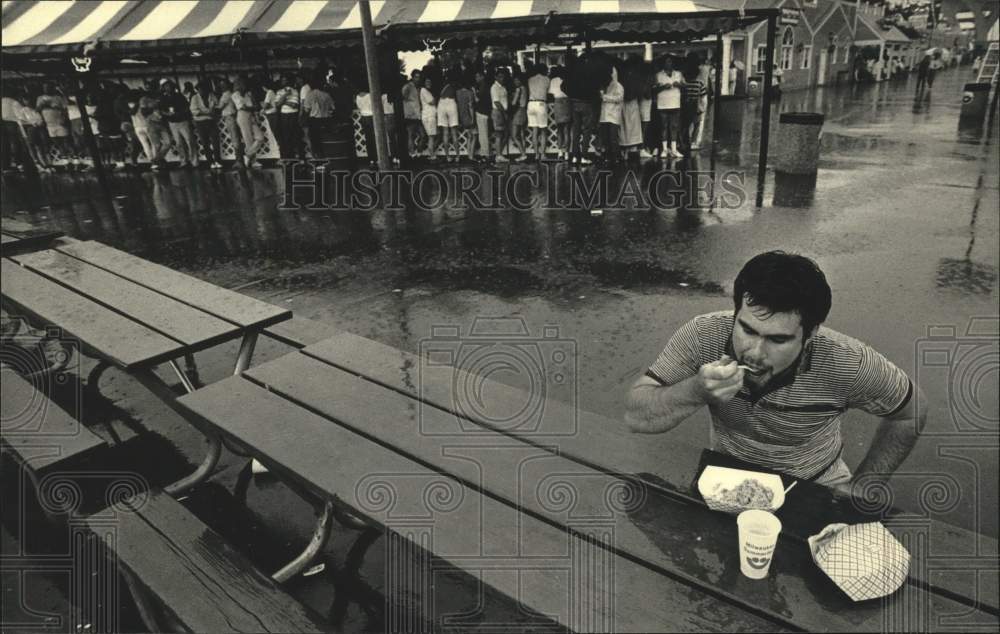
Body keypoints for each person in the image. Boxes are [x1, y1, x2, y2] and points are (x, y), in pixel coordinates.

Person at [624, 251, 927, 490]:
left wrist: (865, 486)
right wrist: (696, 391)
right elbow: (637, 417)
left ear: (810, 335)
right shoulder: (704, 335)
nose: (754, 352)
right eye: (747, 329)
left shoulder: (847, 362)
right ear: (736, 312)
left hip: (814, 482)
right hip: (726, 477)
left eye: (777, 339)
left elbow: (912, 411)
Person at [564, 52, 598, 165]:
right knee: (587, 130)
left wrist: (572, 95)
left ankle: (574, 156)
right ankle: (584, 156)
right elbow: (595, 88)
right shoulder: (590, 72)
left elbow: (563, 86)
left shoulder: (573, 72)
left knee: (576, 130)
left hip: (574, 103)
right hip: (587, 103)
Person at [161, 80, 198, 168]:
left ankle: (194, 161)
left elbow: (186, 108)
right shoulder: (163, 98)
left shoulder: (179, 96)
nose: (168, 88)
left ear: (173, 87)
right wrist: (167, 114)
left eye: (169, 86)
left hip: (182, 121)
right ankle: (183, 160)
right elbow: (161, 110)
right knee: (179, 143)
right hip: (172, 122)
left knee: (189, 140)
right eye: (166, 87)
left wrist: (180, 113)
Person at [302, 71, 334, 164]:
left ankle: (319, 160)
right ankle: (328, 158)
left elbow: (307, 109)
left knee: (316, 142)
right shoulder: (326, 94)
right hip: (326, 119)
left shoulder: (310, 95)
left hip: (314, 120)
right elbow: (332, 108)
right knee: (326, 140)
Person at [232, 76, 264, 168]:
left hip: (251, 116)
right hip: (242, 116)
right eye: (243, 84)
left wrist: (252, 106)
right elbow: (243, 107)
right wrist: (253, 107)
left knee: (260, 137)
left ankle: (247, 156)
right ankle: (253, 161)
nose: (245, 86)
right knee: (248, 139)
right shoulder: (235, 95)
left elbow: (255, 105)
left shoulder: (248, 94)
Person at [655, 56, 684, 159]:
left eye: (670, 61)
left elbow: (684, 86)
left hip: (675, 103)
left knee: (674, 126)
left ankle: (674, 149)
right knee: (664, 126)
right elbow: (654, 89)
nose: (668, 63)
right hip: (663, 104)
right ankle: (664, 149)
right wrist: (663, 86)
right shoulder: (658, 75)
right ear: (663, 64)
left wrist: (679, 85)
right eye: (667, 62)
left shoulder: (679, 74)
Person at [190, 80, 222, 168]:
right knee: (205, 142)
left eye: (204, 89)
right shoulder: (195, 98)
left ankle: (217, 160)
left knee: (215, 141)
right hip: (200, 122)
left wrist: (215, 111)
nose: (202, 91)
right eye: (200, 89)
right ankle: (210, 161)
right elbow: (194, 111)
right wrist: (208, 113)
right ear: (197, 90)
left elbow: (217, 105)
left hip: (211, 121)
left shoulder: (212, 96)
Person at [17, 91, 50, 171]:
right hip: (30, 129)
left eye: (29, 99)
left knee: (41, 146)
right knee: (33, 146)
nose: (29, 101)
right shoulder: (23, 110)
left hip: (39, 129)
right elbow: (21, 121)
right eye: (26, 99)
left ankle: (45, 163)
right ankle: (38, 164)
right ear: (23, 101)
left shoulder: (35, 109)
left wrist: (40, 123)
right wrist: (32, 123)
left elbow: (41, 119)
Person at [619, 55, 644, 160]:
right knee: (633, 125)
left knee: (624, 126)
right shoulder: (636, 75)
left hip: (623, 102)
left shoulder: (622, 75)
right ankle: (632, 148)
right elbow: (639, 90)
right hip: (632, 101)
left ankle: (624, 149)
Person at [680, 56, 707, 154]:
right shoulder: (700, 83)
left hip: (685, 105)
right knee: (697, 124)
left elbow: (682, 93)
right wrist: (702, 108)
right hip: (696, 105)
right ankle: (693, 142)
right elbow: (703, 96)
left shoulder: (684, 83)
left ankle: (683, 141)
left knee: (685, 125)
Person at [598, 68, 624, 166]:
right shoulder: (604, 86)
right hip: (604, 115)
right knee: (605, 138)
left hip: (614, 115)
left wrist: (605, 97)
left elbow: (619, 98)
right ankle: (608, 156)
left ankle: (617, 156)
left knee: (613, 137)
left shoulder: (619, 86)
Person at [274, 74, 302, 159]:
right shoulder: (279, 91)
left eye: (285, 80)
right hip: (284, 116)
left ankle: (297, 156)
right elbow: (277, 104)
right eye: (282, 80)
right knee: (285, 137)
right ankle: (287, 157)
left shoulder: (295, 91)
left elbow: (294, 105)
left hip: (293, 115)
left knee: (295, 136)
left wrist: (284, 102)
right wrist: (285, 95)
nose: (284, 82)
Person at [527, 63, 550, 161]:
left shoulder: (530, 79)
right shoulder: (546, 79)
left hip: (531, 104)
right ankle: (543, 154)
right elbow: (548, 92)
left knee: (534, 131)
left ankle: (536, 154)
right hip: (541, 104)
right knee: (543, 131)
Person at [548, 66, 571, 160]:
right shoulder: (568, 79)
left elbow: (550, 93)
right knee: (567, 130)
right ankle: (567, 153)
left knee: (559, 129)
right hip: (567, 102)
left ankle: (560, 151)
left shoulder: (553, 80)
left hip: (557, 102)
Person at [437, 70, 460, 163]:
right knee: (454, 133)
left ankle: (447, 156)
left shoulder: (441, 84)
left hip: (441, 103)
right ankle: (458, 156)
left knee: (445, 133)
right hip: (451, 102)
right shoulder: (454, 84)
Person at [402, 70, 424, 158]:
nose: (418, 79)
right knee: (410, 135)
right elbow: (403, 96)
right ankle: (412, 153)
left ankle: (419, 150)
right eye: (416, 77)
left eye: (419, 77)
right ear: (412, 77)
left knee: (423, 135)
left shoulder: (418, 88)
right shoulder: (408, 86)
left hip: (418, 115)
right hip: (410, 114)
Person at [455, 75, 477, 162]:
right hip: (468, 116)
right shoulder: (470, 93)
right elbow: (471, 106)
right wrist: (473, 118)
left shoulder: (457, 92)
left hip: (462, 116)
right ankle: (471, 156)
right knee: (474, 136)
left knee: (469, 136)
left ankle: (469, 154)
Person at [491, 68, 510, 162]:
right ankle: (498, 155)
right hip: (498, 111)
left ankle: (499, 153)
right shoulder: (494, 87)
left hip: (502, 111)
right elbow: (497, 102)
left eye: (503, 77)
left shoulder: (503, 87)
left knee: (505, 134)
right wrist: (504, 113)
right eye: (500, 77)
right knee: (499, 134)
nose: (502, 78)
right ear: (496, 77)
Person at [473, 69, 492, 162]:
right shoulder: (485, 86)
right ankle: (485, 153)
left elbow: (477, 99)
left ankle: (486, 154)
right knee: (483, 134)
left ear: (482, 77)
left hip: (482, 112)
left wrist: (473, 92)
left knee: (483, 134)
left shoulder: (483, 86)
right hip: (485, 112)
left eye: (477, 76)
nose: (476, 78)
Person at [509, 73, 529, 162]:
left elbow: (513, 103)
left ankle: (523, 154)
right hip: (524, 111)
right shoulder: (525, 88)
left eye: (517, 80)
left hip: (518, 111)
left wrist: (511, 98)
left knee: (514, 135)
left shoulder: (518, 89)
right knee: (521, 134)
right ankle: (524, 153)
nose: (515, 82)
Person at [420, 76, 438, 161]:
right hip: (429, 116)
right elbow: (432, 102)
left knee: (433, 136)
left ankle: (432, 153)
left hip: (429, 115)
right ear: (423, 82)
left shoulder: (426, 91)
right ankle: (432, 155)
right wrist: (435, 98)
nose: (429, 83)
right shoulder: (424, 90)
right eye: (427, 82)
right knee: (431, 136)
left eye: (430, 82)